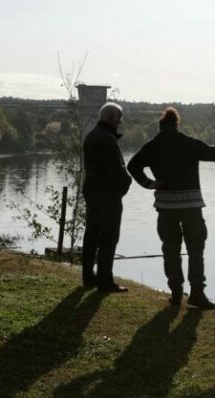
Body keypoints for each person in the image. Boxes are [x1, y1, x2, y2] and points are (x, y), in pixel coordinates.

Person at [127, 107, 215, 309]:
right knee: (195, 250)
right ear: (177, 125)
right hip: (191, 206)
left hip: (165, 206)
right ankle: (197, 294)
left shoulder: (152, 146)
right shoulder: (188, 143)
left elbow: (133, 166)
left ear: (161, 127)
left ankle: (176, 293)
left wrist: (149, 183)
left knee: (170, 250)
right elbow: (211, 152)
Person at [81, 102, 132, 292]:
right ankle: (105, 281)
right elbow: (117, 170)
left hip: (92, 191)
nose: (120, 122)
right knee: (109, 238)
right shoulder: (107, 139)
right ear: (111, 118)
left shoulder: (91, 137)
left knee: (92, 234)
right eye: (119, 118)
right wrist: (126, 184)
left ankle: (88, 276)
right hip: (108, 194)